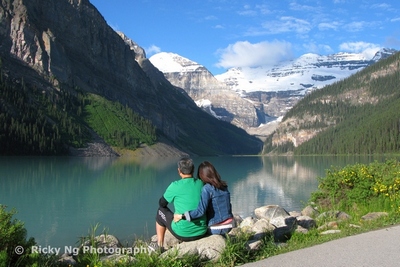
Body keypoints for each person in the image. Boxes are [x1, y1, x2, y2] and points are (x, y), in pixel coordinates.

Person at [149, 157, 207, 253]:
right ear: (193, 170)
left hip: (182, 233)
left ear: (179, 171)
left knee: (160, 211)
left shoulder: (175, 185)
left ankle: (159, 245)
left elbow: (162, 203)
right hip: (201, 231)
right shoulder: (201, 184)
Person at [174, 161, 233, 235]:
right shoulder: (224, 186)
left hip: (217, 228)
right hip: (229, 225)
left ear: (201, 175)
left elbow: (200, 211)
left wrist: (182, 216)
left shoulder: (207, 189)